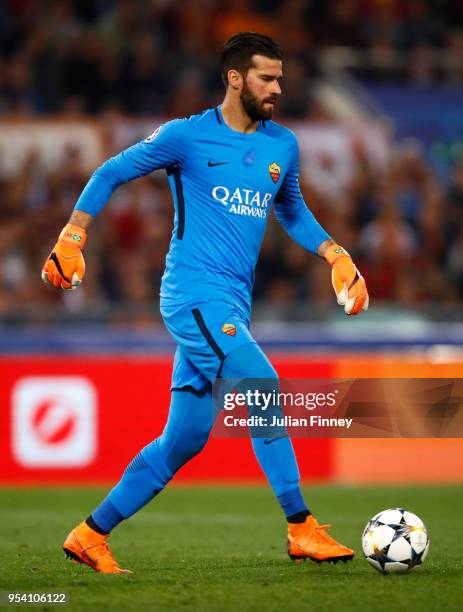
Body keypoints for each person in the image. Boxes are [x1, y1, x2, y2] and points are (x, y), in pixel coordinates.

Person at [42, 32, 369, 574]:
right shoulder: (186, 137)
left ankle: (89, 534)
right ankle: (300, 526)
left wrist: (335, 253)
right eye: (267, 77)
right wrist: (73, 235)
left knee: (185, 437)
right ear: (235, 78)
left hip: (231, 306)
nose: (278, 88)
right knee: (263, 386)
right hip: (192, 294)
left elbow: (290, 209)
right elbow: (111, 171)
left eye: (281, 78)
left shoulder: (281, 145)